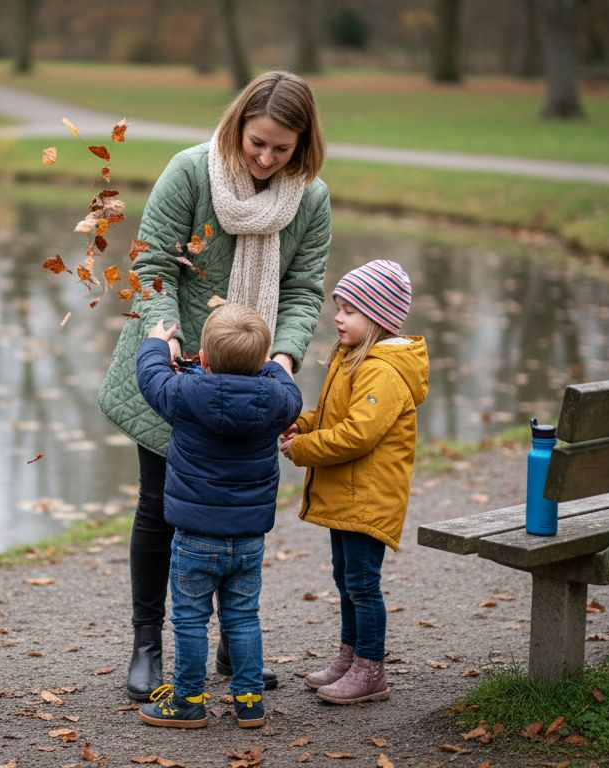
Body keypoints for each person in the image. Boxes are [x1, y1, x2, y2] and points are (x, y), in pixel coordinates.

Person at [97, 70, 331, 701]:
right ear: (238, 126)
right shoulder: (191, 172)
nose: (264, 158)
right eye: (257, 142)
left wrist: (283, 358)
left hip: (253, 381)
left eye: (281, 149)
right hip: (175, 369)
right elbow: (150, 266)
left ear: (302, 145)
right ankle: (148, 644)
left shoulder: (309, 199)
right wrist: (165, 332)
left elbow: (306, 290)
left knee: (237, 515)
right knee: (158, 506)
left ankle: (235, 641)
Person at [132, 304, 303, 728]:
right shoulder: (279, 402)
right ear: (262, 360)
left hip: (194, 539)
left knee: (190, 619)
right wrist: (266, 363)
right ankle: (248, 701)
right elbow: (288, 386)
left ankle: (188, 700)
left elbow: (150, 377)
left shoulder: (184, 394)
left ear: (203, 358)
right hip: (247, 540)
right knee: (243, 616)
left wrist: (158, 342)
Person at [279, 259, 429, 705]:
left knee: (363, 582)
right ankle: (349, 657)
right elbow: (335, 417)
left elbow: (358, 434)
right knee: (346, 577)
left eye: (349, 311)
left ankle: (371, 669)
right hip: (349, 493)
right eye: (338, 308)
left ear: (378, 318)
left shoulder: (383, 371)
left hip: (367, 495)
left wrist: (304, 451)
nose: (338, 317)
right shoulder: (351, 358)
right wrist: (303, 425)